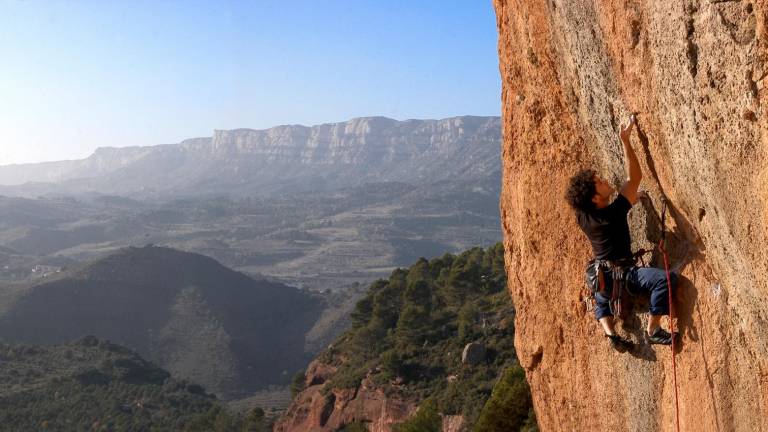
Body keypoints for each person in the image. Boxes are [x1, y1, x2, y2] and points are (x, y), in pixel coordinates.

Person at [565, 114, 677, 352]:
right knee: (665, 279)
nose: (604, 180)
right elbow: (634, 179)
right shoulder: (611, 215)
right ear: (595, 198)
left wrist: (633, 199)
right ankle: (654, 330)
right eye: (599, 182)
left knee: (601, 298)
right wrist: (625, 140)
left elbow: (624, 195)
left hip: (602, 276)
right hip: (625, 276)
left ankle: (610, 332)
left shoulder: (584, 216)